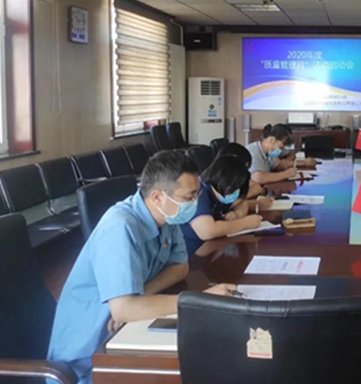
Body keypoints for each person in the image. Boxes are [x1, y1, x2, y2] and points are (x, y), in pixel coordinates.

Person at [47, 151, 237, 384]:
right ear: (157, 197)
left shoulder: (167, 217)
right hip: (87, 363)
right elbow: (123, 310)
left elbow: (180, 267)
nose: (195, 203)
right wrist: (200, 300)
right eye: (189, 197)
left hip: (124, 330)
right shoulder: (119, 227)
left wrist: (140, 298)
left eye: (196, 194)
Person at [180, 155, 265, 251]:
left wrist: (237, 214)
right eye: (234, 189)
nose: (235, 193)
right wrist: (244, 223)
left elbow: (242, 203)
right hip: (193, 252)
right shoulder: (199, 193)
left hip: (214, 247)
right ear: (222, 181)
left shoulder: (222, 192)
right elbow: (208, 231)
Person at [247, 124, 316, 184]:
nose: (280, 151)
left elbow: (278, 165)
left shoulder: (269, 152)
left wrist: (302, 163)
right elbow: (258, 178)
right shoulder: (252, 152)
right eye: (280, 147)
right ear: (272, 140)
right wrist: (286, 174)